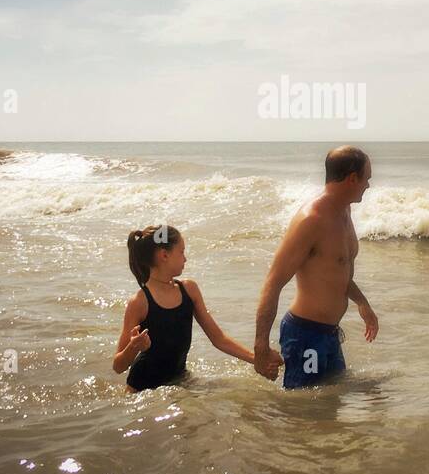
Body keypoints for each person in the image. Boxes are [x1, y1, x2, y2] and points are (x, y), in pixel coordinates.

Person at [254, 146, 379, 388]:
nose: (368, 185)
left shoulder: (344, 211)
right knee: (304, 406)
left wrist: (362, 303)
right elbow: (273, 282)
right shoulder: (311, 220)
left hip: (330, 334)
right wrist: (261, 346)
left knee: (330, 404)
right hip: (305, 336)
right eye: (367, 178)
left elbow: (337, 272)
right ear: (352, 178)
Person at [114, 225, 271, 391]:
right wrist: (133, 347)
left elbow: (218, 339)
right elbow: (118, 366)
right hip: (142, 390)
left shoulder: (189, 290)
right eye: (181, 252)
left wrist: (257, 359)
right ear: (164, 255)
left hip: (179, 380)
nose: (185, 259)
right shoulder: (139, 302)